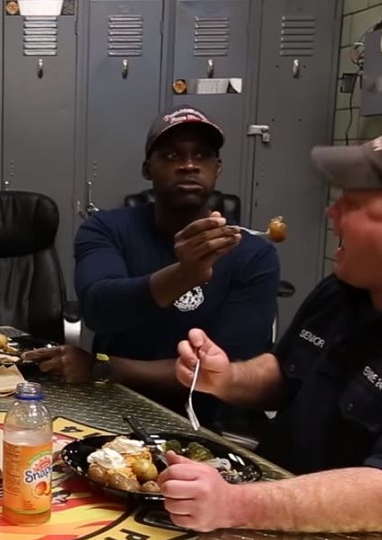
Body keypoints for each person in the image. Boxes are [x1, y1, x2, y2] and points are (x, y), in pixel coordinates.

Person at [163, 127, 382, 540]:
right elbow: (286, 372)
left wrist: (233, 503)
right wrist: (229, 378)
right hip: (283, 534)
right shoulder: (349, 283)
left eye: (352, 203)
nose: (331, 211)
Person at [26, 106, 280, 428]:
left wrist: (103, 367)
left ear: (218, 168)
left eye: (201, 155)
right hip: (112, 407)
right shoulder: (106, 228)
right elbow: (100, 308)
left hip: (203, 419)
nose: (188, 165)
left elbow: (230, 367)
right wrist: (183, 275)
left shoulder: (253, 254)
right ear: (148, 168)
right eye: (172, 155)